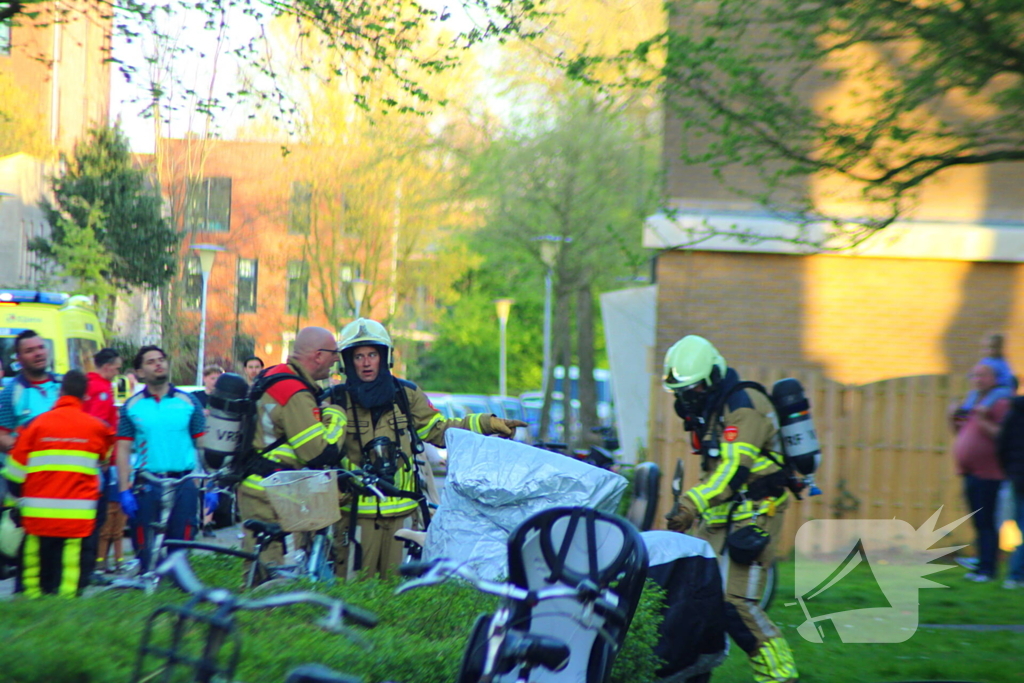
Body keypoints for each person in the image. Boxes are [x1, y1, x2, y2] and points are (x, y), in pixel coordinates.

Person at [324, 318, 526, 579]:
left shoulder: (406, 395)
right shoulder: (336, 399)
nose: (365, 362)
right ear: (348, 361)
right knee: (354, 595)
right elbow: (320, 453)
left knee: (399, 595)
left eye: (372, 354)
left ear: (384, 357)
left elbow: (440, 430)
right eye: (359, 356)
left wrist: (488, 423)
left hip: (403, 516)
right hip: (355, 518)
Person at [662, 335, 798, 683]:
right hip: (722, 515)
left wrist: (691, 504)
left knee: (738, 605)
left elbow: (732, 472)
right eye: (680, 393)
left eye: (690, 391)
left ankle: (780, 677)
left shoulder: (743, 406)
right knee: (695, 596)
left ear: (711, 378)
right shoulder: (713, 409)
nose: (685, 400)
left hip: (757, 513)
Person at [236, 327, 348, 578]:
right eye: (334, 355)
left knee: (260, 567)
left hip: (262, 486)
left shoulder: (274, 375)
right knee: (266, 574)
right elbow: (319, 453)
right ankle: (258, 616)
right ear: (318, 355)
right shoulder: (294, 392)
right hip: (269, 491)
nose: (335, 361)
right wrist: (337, 415)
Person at [0, 370, 114, 596]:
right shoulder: (97, 428)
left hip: (37, 518)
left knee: (33, 568)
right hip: (77, 519)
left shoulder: (36, 425)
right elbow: (105, 460)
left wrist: (20, 495)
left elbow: (14, 473)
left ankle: (31, 605)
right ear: (85, 396)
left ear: (60, 392)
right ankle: (65, 609)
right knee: (71, 569)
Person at [115, 346, 206, 573]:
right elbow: (123, 448)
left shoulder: (189, 401)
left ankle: (179, 588)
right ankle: (148, 582)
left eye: (162, 359)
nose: (159, 364)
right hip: (147, 482)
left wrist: (209, 484)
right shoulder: (132, 406)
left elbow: (203, 445)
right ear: (140, 372)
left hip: (183, 482)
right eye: (151, 361)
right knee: (144, 544)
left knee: (181, 544)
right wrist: (124, 488)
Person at [949, 362, 1012, 582]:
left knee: (987, 522)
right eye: (974, 376)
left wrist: (983, 419)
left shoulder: (1001, 402)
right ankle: (980, 566)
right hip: (970, 472)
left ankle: (988, 570)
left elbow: (1003, 435)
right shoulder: (975, 400)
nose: (977, 380)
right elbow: (962, 430)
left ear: (995, 379)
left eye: (983, 376)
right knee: (978, 522)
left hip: (989, 473)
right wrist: (954, 417)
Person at [83, 347, 123, 573]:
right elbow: (99, 425)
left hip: (94, 460)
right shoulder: (101, 389)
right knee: (102, 517)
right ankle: (95, 566)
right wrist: (104, 459)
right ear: (107, 367)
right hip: (100, 462)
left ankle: (96, 564)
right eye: (117, 369)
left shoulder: (90, 384)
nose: (117, 373)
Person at [0, 330, 61, 453]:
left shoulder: (63, 384)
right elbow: (2, 436)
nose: (38, 353)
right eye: (30, 351)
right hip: (30, 470)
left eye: (41, 347)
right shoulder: (11, 393)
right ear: (19, 358)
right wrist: (26, 449)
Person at [997, 393, 1024, 589]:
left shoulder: (1014, 412)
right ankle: (1016, 575)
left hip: (1017, 476)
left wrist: (1010, 471)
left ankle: (1015, 575)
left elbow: (1001, 445)